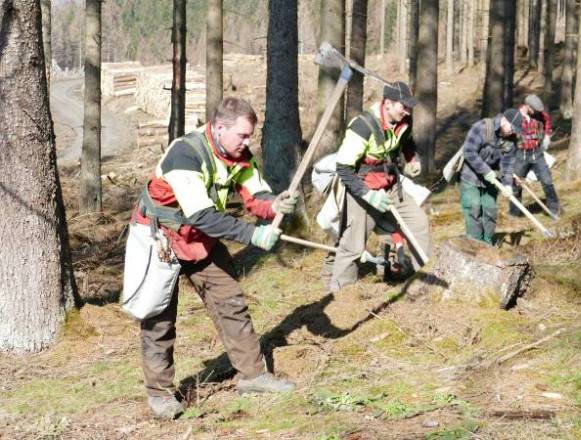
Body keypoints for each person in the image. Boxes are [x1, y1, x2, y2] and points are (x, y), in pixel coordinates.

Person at [130, 97, 297, 419]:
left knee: (231, 302)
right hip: (161, 237)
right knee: (159, 318)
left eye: (250, 136)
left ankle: (253, 376)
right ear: (220, 128)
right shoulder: (185, 154)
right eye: (243, 136)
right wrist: (252, 235)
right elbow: (203, 215)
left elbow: (255, 195)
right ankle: (160, 395)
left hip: (201, 239)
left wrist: (275, 204)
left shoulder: (239, 154)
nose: (248, 143)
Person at [321, 81, 432, 292]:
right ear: (388, 104)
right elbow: (343, 169)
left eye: (409, 107)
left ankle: (424, 281)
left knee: (419, 222)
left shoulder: (402, 121)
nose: (407, 112)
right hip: (362, 189)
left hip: (390, 185)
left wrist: (412, 159)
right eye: (403, 106)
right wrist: (368, 195)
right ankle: (340, 296)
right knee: (353, 245)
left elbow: (407, 141)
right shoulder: (363, 126)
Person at [460, 108, 521, 244]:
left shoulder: (510, 140)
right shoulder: (481, 128)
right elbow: (469, 152)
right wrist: (485, 170)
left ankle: (488, 245)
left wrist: (507, 184)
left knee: (490, 212)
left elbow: (507, 164)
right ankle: (475, 245)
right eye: (512, 128)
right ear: (504, 121)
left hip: (491, 182)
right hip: (470, 177)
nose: (514, 131)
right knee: (473, 210)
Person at [510, 94, 561, 218]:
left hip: (537, 153)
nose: (536, 112)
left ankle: (555, 209)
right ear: (527, 106)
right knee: (516, 185)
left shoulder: (539, 114)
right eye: (534, 110)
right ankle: (515, 213)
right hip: (521, 155)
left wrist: (547, 135)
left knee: (547, 181)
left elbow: (547, 121)